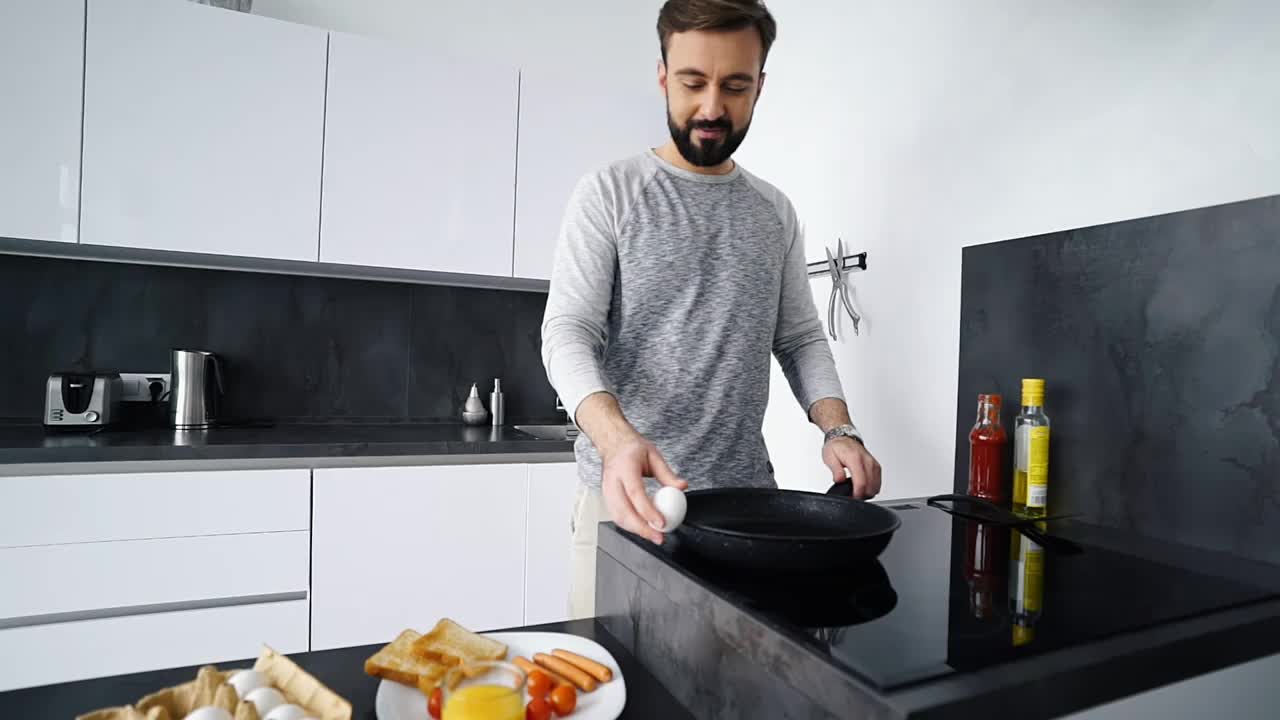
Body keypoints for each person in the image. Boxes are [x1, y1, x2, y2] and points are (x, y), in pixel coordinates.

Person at [541, 0, 883, 619]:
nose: (711, 108)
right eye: (694, 82)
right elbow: (567, 333)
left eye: (735, 86)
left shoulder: (772, 211)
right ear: (663, 75)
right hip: (628, 509)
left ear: (760, 85)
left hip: (750, 514)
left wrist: (839, 429)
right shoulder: (610, 194)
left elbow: (801, 338)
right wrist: (619, 440)